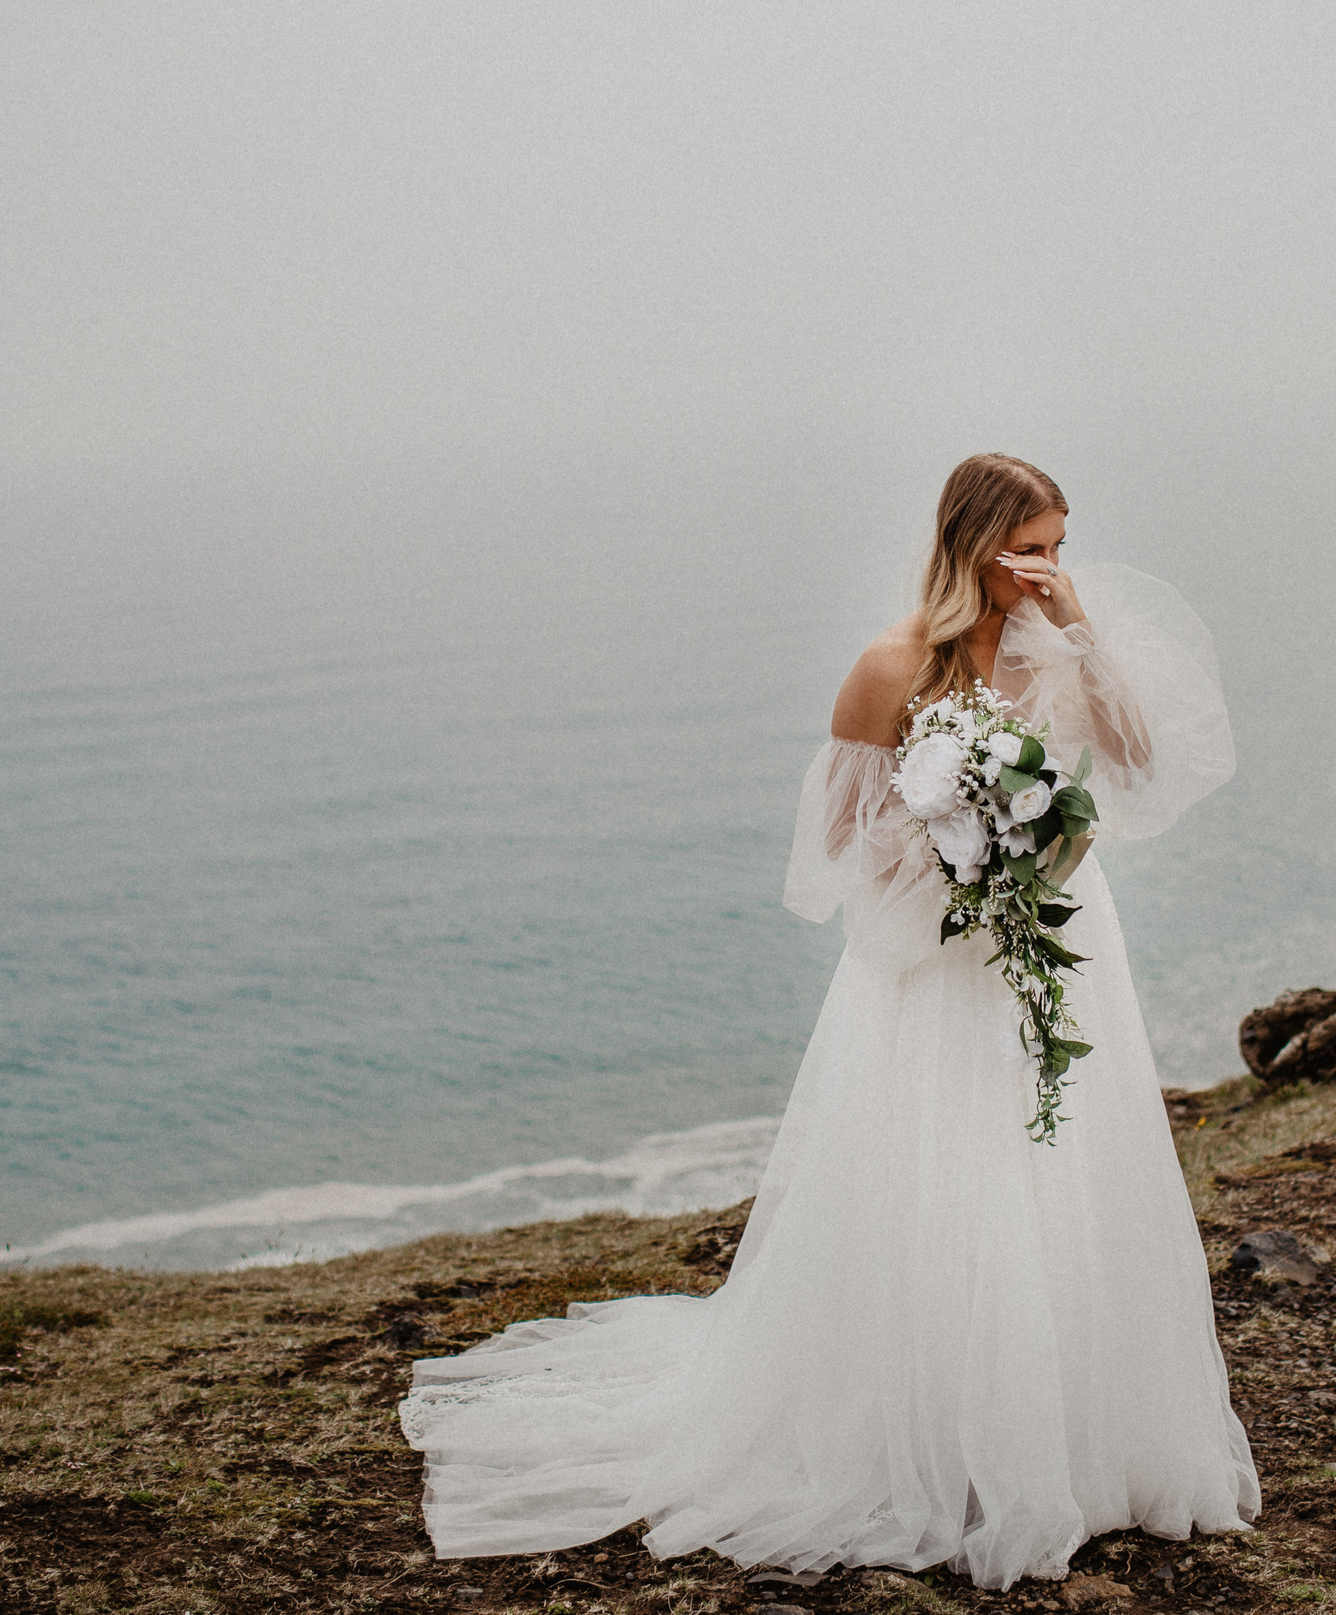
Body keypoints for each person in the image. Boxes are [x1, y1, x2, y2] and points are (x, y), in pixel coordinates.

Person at [401, 454, 1258, 1590]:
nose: (1048, 569)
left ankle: (1073, 1432)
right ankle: (925, 1433)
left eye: (1059, 546)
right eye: (1031, 549)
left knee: (1062, 1162)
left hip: (1059, 940)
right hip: (939, 959)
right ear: (973, 543)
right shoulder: (885, 668)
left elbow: (1139, 763)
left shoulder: (1058, 648)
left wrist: (1079, 631)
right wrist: (959, 850)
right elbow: (840, 856)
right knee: (947, 1177)